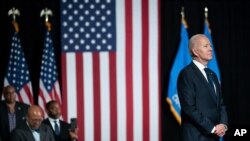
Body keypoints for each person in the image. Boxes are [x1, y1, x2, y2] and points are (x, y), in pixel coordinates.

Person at [177, 34, 228, 141]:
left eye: (210, 45)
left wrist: (223, 124)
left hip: (214, 136)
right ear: (195, 51)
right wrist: (212, 128)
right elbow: (189, 109)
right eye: (206, 46)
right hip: (196, 136)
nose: (210, 48)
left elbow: (221, 104)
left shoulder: (212, 74)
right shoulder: (187, 74)